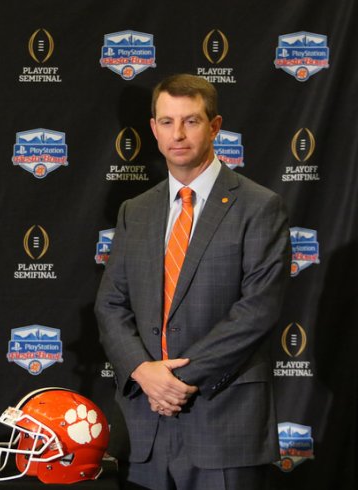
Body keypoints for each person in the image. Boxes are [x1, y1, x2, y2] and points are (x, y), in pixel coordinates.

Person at [95, 74, 290, 490]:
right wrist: (143, 371)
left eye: (191, 121)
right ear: (153, 129)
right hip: (145, 425)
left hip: (224, 421)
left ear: (215, 126)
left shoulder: (260, 207)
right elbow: (110, 304)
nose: (177, 134)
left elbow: (258, 309)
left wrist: (177, 381)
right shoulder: (136, 211)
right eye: (166, 122)